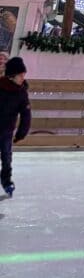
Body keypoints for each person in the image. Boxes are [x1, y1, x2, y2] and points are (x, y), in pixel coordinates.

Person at [0, 56, 31, 197]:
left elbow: (26, 115)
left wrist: (21, 133)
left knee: (7, 158)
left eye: (24, 75)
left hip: (6, 131)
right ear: (12, 76)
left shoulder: (22, 93)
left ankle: (7, 182)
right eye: (21, 75)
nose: (23, 78)